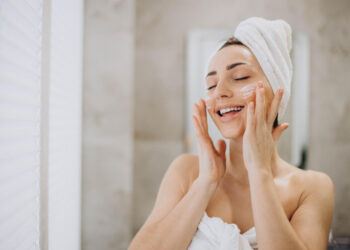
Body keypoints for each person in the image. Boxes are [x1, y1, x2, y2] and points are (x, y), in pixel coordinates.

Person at [128, 17, 334, 250]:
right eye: (211, 85)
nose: (220, 92)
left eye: (240, 78)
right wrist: (206, 182)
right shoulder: (187, 171)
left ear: (278, 91)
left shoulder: (312, 187)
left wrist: (260, 174)